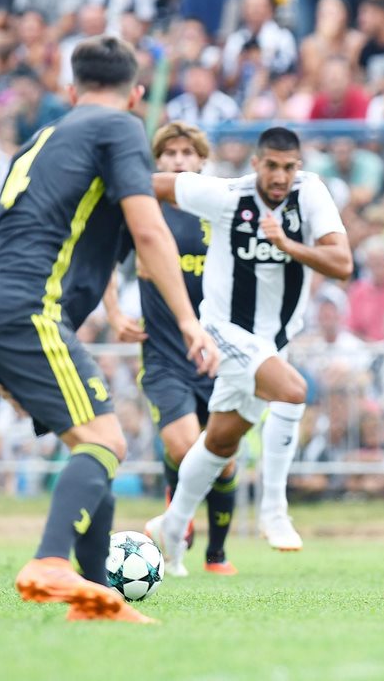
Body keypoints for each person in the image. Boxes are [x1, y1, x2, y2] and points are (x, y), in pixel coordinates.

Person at [0, 35, 220, 624]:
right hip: (27, 311)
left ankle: (95, 596)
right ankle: (51, 562)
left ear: (71, 90)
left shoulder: (45, 136)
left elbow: (79, 240)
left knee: (91, 443)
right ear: (135, 94)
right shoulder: (119, 128)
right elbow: (149, 234)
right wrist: (187, 322)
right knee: (108, 441)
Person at [146, 127, 352, 574]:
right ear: (256, 164)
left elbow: (342, 263)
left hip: (272, 342)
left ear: (298, 166)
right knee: (294, 391)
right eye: (272, 166)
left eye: (289, 167)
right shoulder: (227, 196)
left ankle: (170, 526)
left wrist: (287, 245)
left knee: (220, 441)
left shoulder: (311, 194)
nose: (280, 176)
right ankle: (274, 511)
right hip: (223, 330)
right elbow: (152, 184)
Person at [103, 122, 238, 576]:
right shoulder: (145, 211)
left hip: (220, 354)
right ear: (157, 161)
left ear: (202, 160)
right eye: (169, 153)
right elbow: (103, 257)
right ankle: (177, 506)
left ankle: (217, 554)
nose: (179, 160)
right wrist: (113, 312)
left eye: (187, 153)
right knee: (184, 447)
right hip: (163, 356)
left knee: (223, 459)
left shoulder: (221, 210)